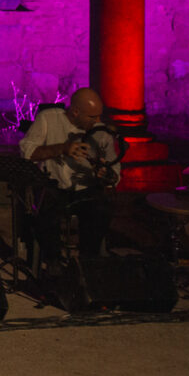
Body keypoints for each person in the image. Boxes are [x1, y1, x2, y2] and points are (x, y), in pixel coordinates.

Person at [18, 86, 120, 266]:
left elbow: (115, 170)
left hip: (85, 189)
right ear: (75, 111)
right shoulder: (49, 118)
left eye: (99, 116)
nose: (97, 121)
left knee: (101, 209)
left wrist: (106, 174)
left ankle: (87, 264)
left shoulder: (101, 132)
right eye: (92, 117)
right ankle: (54, 263)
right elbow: (27, 151)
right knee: (45, 213)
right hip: (53, 187)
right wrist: (62, 148)